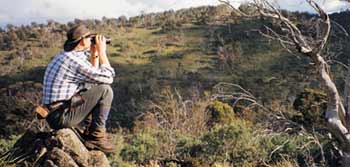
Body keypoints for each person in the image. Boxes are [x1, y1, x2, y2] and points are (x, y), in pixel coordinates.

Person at [42, 25, 115, 153]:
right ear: (82, 41)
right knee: (105, 90)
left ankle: (87, 131)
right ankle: (96, 137)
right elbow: (107, 77)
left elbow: (92, 80)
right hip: (60, 116)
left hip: (57, 111)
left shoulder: (67, 55)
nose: (92, 40)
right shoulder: (74, 60)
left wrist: (95, 54)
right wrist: (103, 52)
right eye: (89, 37)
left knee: (94, 87)